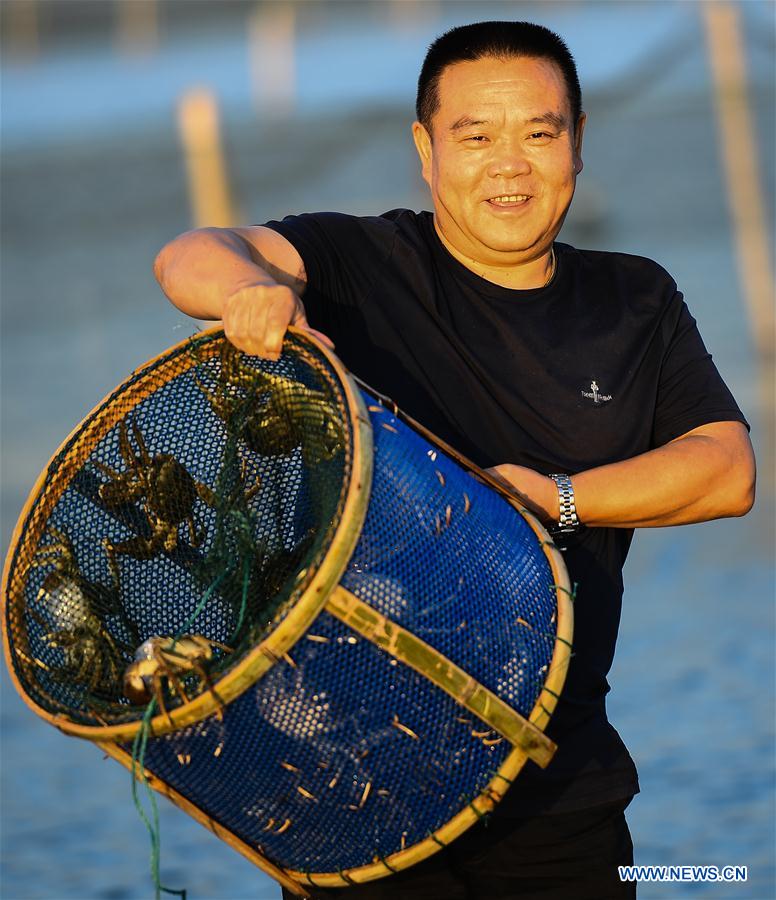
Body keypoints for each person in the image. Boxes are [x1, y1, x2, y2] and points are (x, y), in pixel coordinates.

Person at [153, 21, 755, 900]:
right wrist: (252, 291)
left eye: (539, 134)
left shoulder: (638, 298)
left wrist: (556, 497)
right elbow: (187, 255)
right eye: (476, 136)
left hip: (558, 791)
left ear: (577, 144)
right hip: (350, 792)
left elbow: (727, 469)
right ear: (426, 151)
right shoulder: (357, 264)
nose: (509, 165)